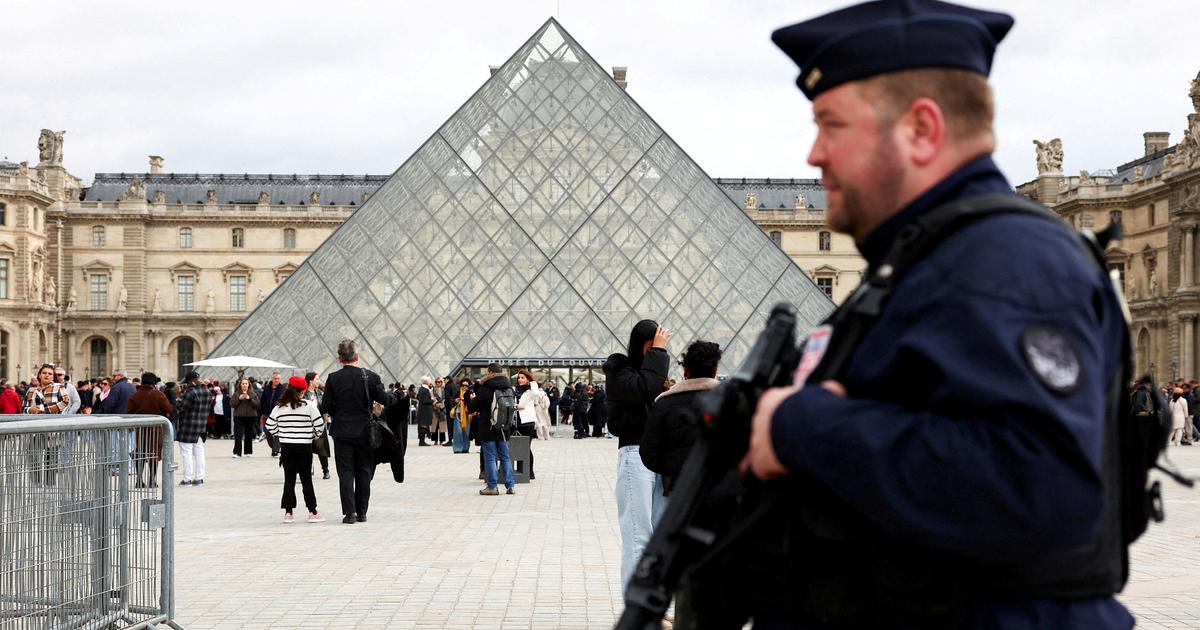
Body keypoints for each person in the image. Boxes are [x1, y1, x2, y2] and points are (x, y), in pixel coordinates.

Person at [726, 3, 1134, 627]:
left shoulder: (1008, 262)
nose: (814, 154)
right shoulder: (927, 263)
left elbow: (1042, 488)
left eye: (831, 125)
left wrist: (806, 427)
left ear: (921, 129)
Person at [603, 319, 671, 590]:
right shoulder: (619, 372)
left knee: (658, 535)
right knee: (637, 535)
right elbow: (645, 388)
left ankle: (658, 606)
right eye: (656, 344)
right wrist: (659, 353)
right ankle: (637, 608)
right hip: (635, 455)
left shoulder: (648, 372)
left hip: (658, 458)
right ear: (647, 345)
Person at [319, 339, 392, 524]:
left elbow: (326, 406)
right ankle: (362, 512)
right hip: (364, 431)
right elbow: (384, 399)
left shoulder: (333, 378)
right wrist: (398, 395)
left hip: (342, 432)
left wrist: (340, 415)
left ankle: (349, 513)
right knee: (364, 471)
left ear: (339, 358)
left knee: (345, 473)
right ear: (357, 357)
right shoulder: (370, 377)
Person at [640, 341, 721, 498]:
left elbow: (649, 453)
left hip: (681, 488)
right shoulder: (732, 401)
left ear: (686, 371)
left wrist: (672, 466)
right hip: (721, 486)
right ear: (714, 370)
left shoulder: (664, 403)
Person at [266, 375, 327, 523]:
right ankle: (312, 511)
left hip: (287, 446)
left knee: (289, 479)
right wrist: (311, 435)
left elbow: (269, 425)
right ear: (302, 391)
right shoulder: (308, 405)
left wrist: (281, 434)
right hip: (304, 446)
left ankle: (288, 513)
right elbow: (319, 427)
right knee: (306, 480)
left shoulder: (279, 406)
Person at [467, 363, 516, 496]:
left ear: (489, 372)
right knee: (506, 457)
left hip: (487, 428)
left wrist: (472, 398)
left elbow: (472, 408)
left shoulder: (485, 389)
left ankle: (492, 486)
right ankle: (510, 485)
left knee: (490, 458)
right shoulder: (509, 387)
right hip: (504, 428)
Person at [127, 372, 171, 488]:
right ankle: (152, 479)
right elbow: (168, 408)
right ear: (154, 382)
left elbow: (128, 411)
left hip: (140, 428)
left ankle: (139, 480)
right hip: (155, 428)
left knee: (140, 452)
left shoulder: (135, 395)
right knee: (154, 454)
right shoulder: (158, 394)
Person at [175, 370, 212, 486]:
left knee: (186, 453)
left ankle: (187, 479)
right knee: (199, 453)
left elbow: (182, 408)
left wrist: (177, 400)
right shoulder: (207, 392)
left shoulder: (189, 392)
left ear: (190, 381)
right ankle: (200, 478)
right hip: (201, 426)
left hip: (188, 426)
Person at [303, 372, 331, 479]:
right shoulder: (303, 394)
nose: (319, 381)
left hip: (319, 424)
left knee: (321, 448)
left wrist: (326, 415)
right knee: (307, 449)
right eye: (317, 379)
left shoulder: (320, 393)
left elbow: (324, 407)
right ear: (310, 381)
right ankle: (308, 469)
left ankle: (326, 470)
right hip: (307, 425)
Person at [513, 369, 539, 480]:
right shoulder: (513, 389)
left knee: (526, 447)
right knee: (516, 447)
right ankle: (520, 470)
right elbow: (510, 401)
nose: (520, 379)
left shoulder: (531, 391)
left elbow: (536, 394)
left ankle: (529, 471)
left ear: (528, 379)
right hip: (515, 421)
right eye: (519, 377)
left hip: (527, 421)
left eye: (523, 377)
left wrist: (532, 382)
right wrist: (515, 406)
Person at [231, 379, 260, 458]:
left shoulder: (253, 393)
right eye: (243, 383)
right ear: (240, 385)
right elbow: (232, 404)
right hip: (238, 417)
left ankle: (248, 451)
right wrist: (239, 399)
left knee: (249, 435)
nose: (244, 385)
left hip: (250, 417)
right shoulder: (236, 394)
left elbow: (257, 405)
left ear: (248, 385)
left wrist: (249, 399)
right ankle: (237, 452)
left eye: (246, 383)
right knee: (238, 435)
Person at [258, 372, 285, 457]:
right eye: (275, 378)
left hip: (278, 414)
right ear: (272, 379)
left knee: (277, 432)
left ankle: (275, 450)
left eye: (278, 378)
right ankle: (274, 448)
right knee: (268, 432)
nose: (276, 380)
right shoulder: (267, 388)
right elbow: (262, 401)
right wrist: (261, 413)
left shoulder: (282, 389)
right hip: (266, 414)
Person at [451, 378, 472, 453]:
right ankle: (457, 448)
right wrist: (455, 401)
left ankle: (465, 448)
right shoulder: (458, 392)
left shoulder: (471, 393)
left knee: (466, 431)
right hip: (458, 413)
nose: (464, 387)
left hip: (467, 414)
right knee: (458, 431)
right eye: (463, 385)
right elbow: (452, 401)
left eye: (466, 385)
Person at [416, 376, 434, 446]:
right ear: (427, 382)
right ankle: (422, 441)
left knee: (422, 425)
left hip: (422, 410)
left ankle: (421, 440)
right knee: (424, 425)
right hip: (425, 410)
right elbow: (425, 401)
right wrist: (432, 400)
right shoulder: (425, 390)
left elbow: (418, 397)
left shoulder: (421, 389)